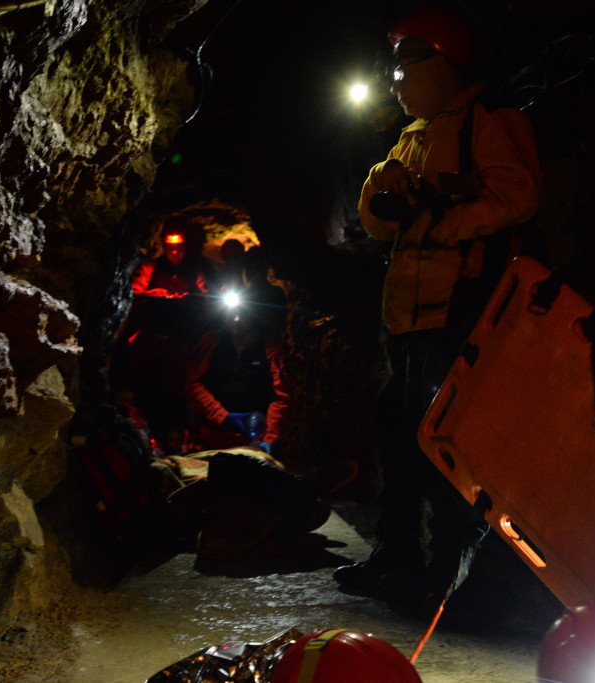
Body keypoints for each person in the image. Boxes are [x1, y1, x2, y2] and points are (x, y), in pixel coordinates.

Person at [333, 6, 542, 607]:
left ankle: (453, 574)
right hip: (407, 320)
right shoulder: (409, 140)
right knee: (398, 441)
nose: (396, 80)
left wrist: (452, 223)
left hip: (459, 314)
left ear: (442, 64)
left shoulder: (488, 123)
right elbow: (377, 226)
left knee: (447, 448)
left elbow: (520, 193)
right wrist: (386, 189)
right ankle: (397, 557)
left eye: (407, 65)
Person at [112, 216, 214, 453]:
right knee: (148, 387)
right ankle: (148, 438)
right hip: (151, 341)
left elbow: (211, 296)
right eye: (170, 247)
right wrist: (152, 294)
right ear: (164, 246)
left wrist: (191, 300)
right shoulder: (150, 267)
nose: (175, 252)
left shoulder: (196, 270)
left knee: (179, 391)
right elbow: (133, 294)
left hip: (181, 344)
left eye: (179, 247)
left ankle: (178, 439)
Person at [184, 295, 291, 456]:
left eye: (242, 314)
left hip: (252, 440)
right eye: (231, 313)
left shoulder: (270, 349)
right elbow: (192, 383)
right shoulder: (210, 342)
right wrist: (224, 418)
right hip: (211, 436)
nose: (236, 319)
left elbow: (281, 396)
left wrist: (270, 438)